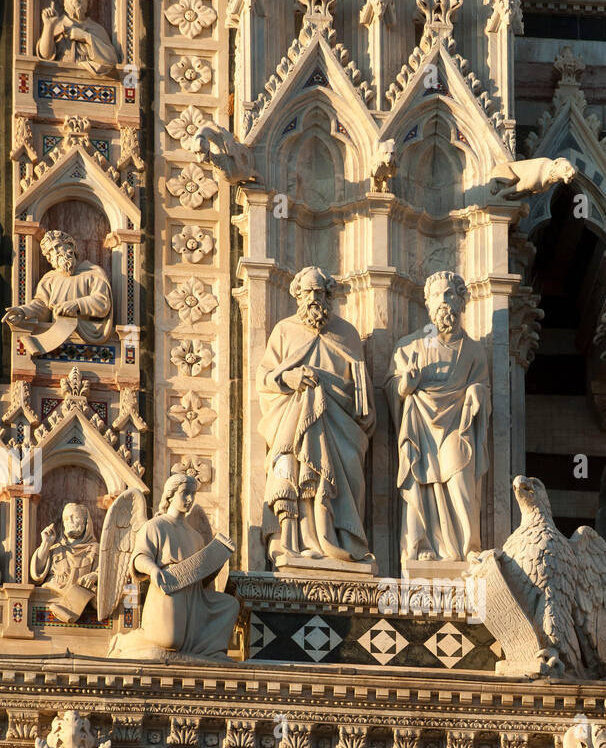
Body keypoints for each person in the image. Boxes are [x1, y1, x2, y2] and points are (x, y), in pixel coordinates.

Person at [256, 267, 375, 567]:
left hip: (341, 427)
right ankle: (295, 543)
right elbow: (266, 379)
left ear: (328, 295)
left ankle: (338, 539)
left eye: (319, 292)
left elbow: (361, 389)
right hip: (294, 422)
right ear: (296, 294)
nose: (313, 298)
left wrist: (360, 404)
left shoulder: (346, 333)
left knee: (344, 471)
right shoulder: (284, 331)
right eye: (307, 292)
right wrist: (290, 379)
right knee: (294, 471)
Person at [387, 271, 490, 567]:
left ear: (461, 301)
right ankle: (423, 546)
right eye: (437, 296)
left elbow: (482, 385)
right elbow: (393, 387)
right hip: (420, 427)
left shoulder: (473, 351)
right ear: (428, 304)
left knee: (460, 479)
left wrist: (476, 392)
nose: (444, 302)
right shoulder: (410, 346)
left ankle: (466, 546)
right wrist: (406, 384)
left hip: (457, 426)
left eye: (450, 295)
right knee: (422, 483)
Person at [119, 473, 238, 658]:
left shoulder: (196, 536)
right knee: (169, 642)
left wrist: (216, 563)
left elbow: (202, 576)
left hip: (195, 595)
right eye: (185, 493)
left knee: (229, 605)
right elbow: (139, 557)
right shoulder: (156, 526)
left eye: (193, 494)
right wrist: (153, 569)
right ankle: (123, 641)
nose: (190, 499)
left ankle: (210, 650)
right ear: (170, 495)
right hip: (169, 589)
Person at [2, 230, 113, 354]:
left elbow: (102, 302)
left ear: (70, 246)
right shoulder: (49, 279)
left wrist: (77, 305)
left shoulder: (93, 273)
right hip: (54, 345)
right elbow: (42, 306)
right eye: (50, 251)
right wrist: (23, 311)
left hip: (90, 345)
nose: (55, 253)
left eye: (57, 246)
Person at [36, 0, 119, 75]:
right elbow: (45, 56)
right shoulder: (57, 24)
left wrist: (85, 36)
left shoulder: (97, 29)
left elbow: (111, 60)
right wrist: (49, 26)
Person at [30, 502, 98, 622]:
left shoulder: (96, 549)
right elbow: (37, 575)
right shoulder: (55, 548)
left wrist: (95, 575)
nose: (69, 521)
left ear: (86, 522)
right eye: (66, 518)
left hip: (84, 611)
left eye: (75, 517)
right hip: (46, 606)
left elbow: (107, 571)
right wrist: (45, 544)